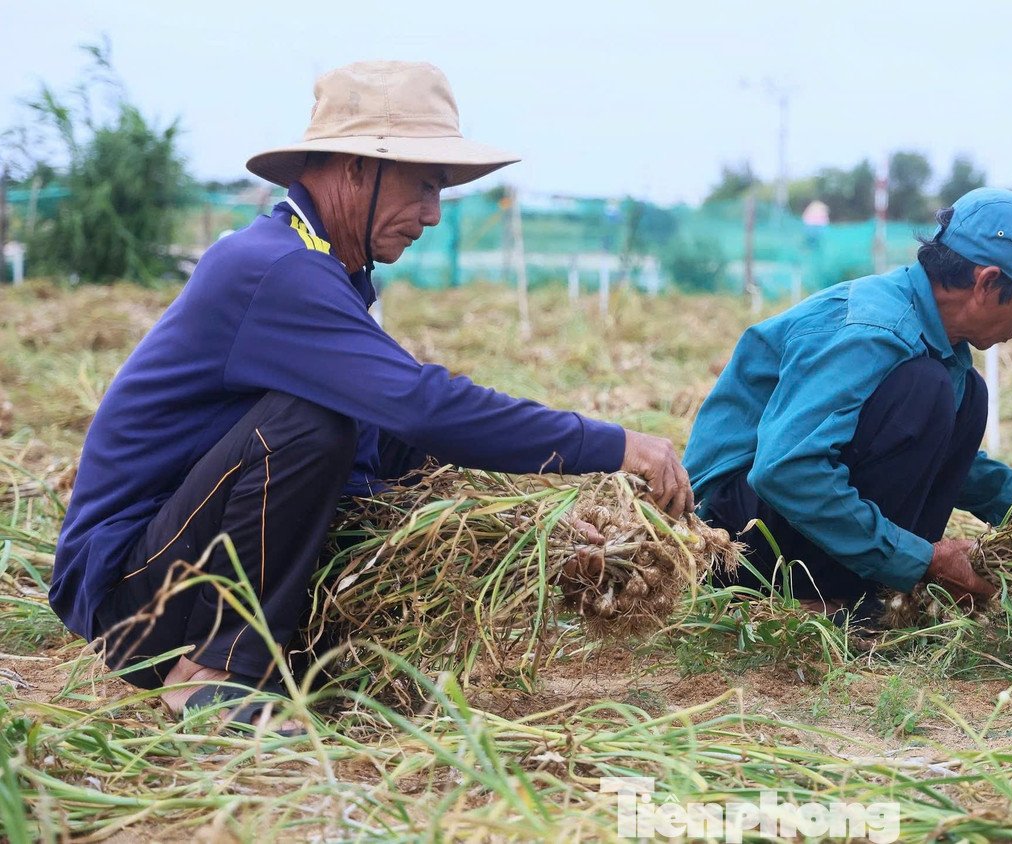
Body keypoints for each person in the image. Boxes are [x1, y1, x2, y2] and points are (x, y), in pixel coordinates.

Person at [47, 61, 691, 730]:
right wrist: (614, 445)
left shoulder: (326, 272)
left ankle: (244, 656)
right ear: (356, 168)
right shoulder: (278, 270)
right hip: (129, 595)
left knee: (351, 427)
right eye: (424, 186)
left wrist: (534, 519)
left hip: (174, 571)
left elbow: (391, 443)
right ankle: (210, 676)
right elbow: (424, 405)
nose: (434, 215)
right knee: (310, 422)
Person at [683, 188, 1012, 623]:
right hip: (732, 536)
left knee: (966, 397)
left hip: (779, 513)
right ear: (987, 283)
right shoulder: (873, 331)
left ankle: (862, 590)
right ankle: (811, 597)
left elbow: (926, 449)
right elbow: (785, 469)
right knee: (927, 390)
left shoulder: (935, 339)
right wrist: (926, 560)